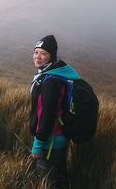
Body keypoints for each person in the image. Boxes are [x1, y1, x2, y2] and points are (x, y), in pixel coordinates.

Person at [29, 35, 81, 188]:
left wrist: (38, 144)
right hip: (58, 138)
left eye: (43, 53)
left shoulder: (50, 81)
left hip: (50, 141)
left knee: (50, 181)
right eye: (36, 52)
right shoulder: (52, 75)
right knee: (58, 177)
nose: (38, 56)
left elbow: (47, 114)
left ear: (51, 56)